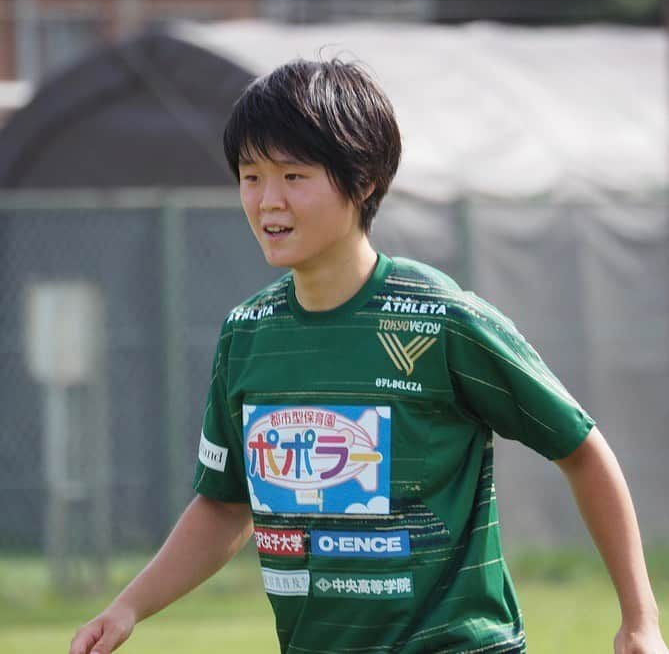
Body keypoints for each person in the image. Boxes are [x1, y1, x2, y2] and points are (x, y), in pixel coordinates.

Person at [69, 58, 667, 654]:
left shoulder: (440, 320)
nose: (268, 200)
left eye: (294, 176)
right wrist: (127, 609)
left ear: (363, 181)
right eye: (251, 176)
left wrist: (639, 619)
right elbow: (227, 505)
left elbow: (581, 449)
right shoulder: (247, 332)